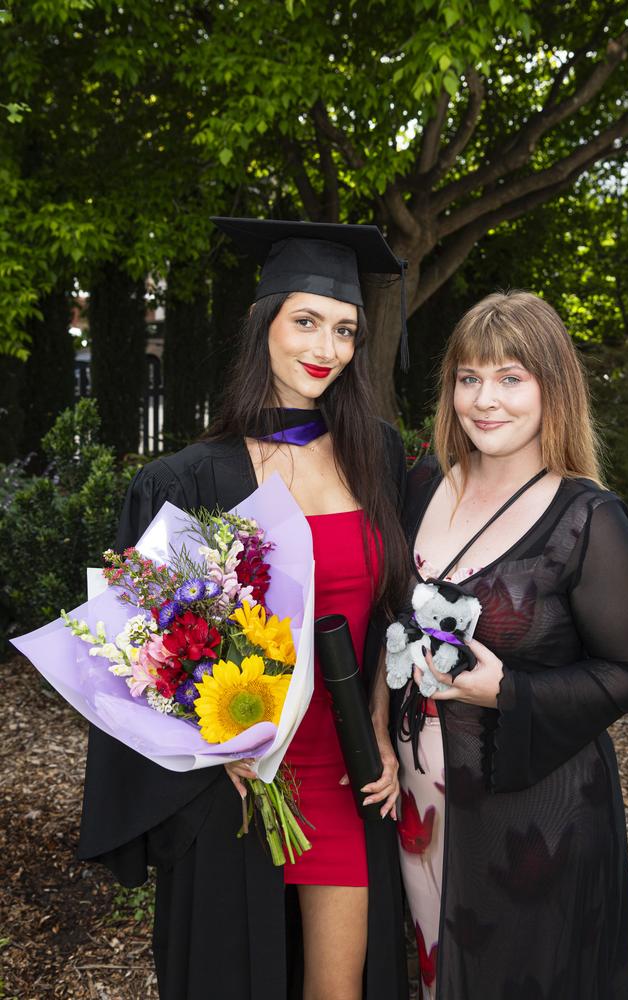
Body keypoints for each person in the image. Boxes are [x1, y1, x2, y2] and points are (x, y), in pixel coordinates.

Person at [78, 218, 410, 1000]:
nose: (325, 347)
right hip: (237, 788)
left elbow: (399, 611)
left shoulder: (380, 457)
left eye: (345, 330)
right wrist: (207, 746)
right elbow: (138, 657)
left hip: (346, 779)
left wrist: (385, 726)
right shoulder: (188, 482)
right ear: (265, 323)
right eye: (306, 321)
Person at [394, 290, 628, 1000]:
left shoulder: (587, 517)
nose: (486, 399)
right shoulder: (422, 485)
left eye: (511, 378)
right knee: (432, 977)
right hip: (419, 806)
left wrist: (509, 693)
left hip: (532, 820)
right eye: (469, 377)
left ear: (552, 388)